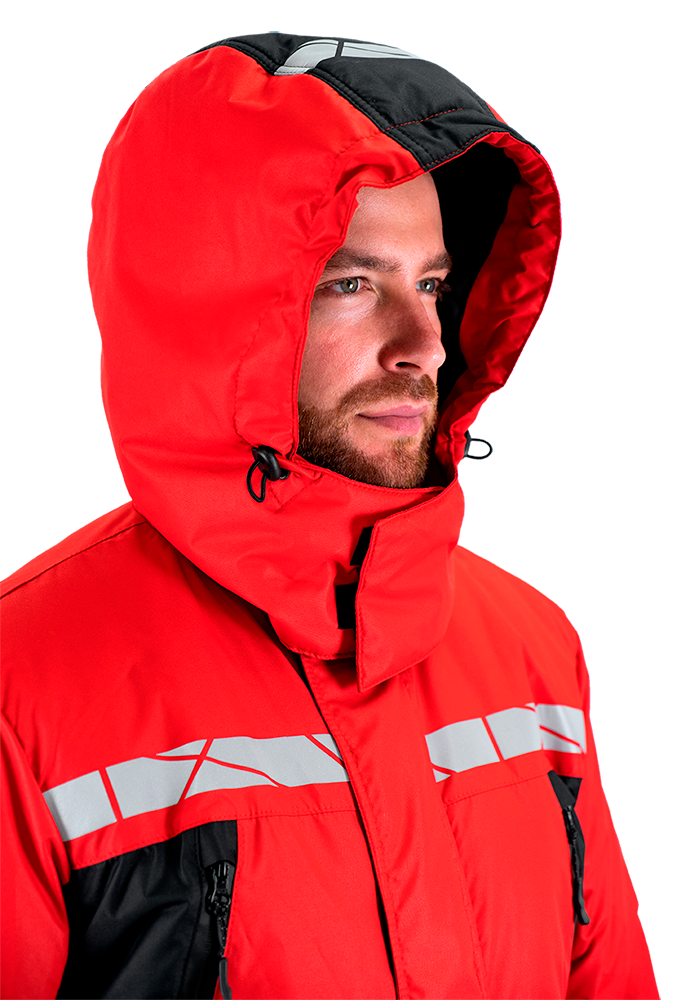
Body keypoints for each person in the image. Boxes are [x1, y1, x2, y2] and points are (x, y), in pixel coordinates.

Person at [0, 34, 657, 999]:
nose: (425, 345)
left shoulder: (530, 650)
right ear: (209, 310)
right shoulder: (27, 684)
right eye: (352, 284)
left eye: (431, 284)